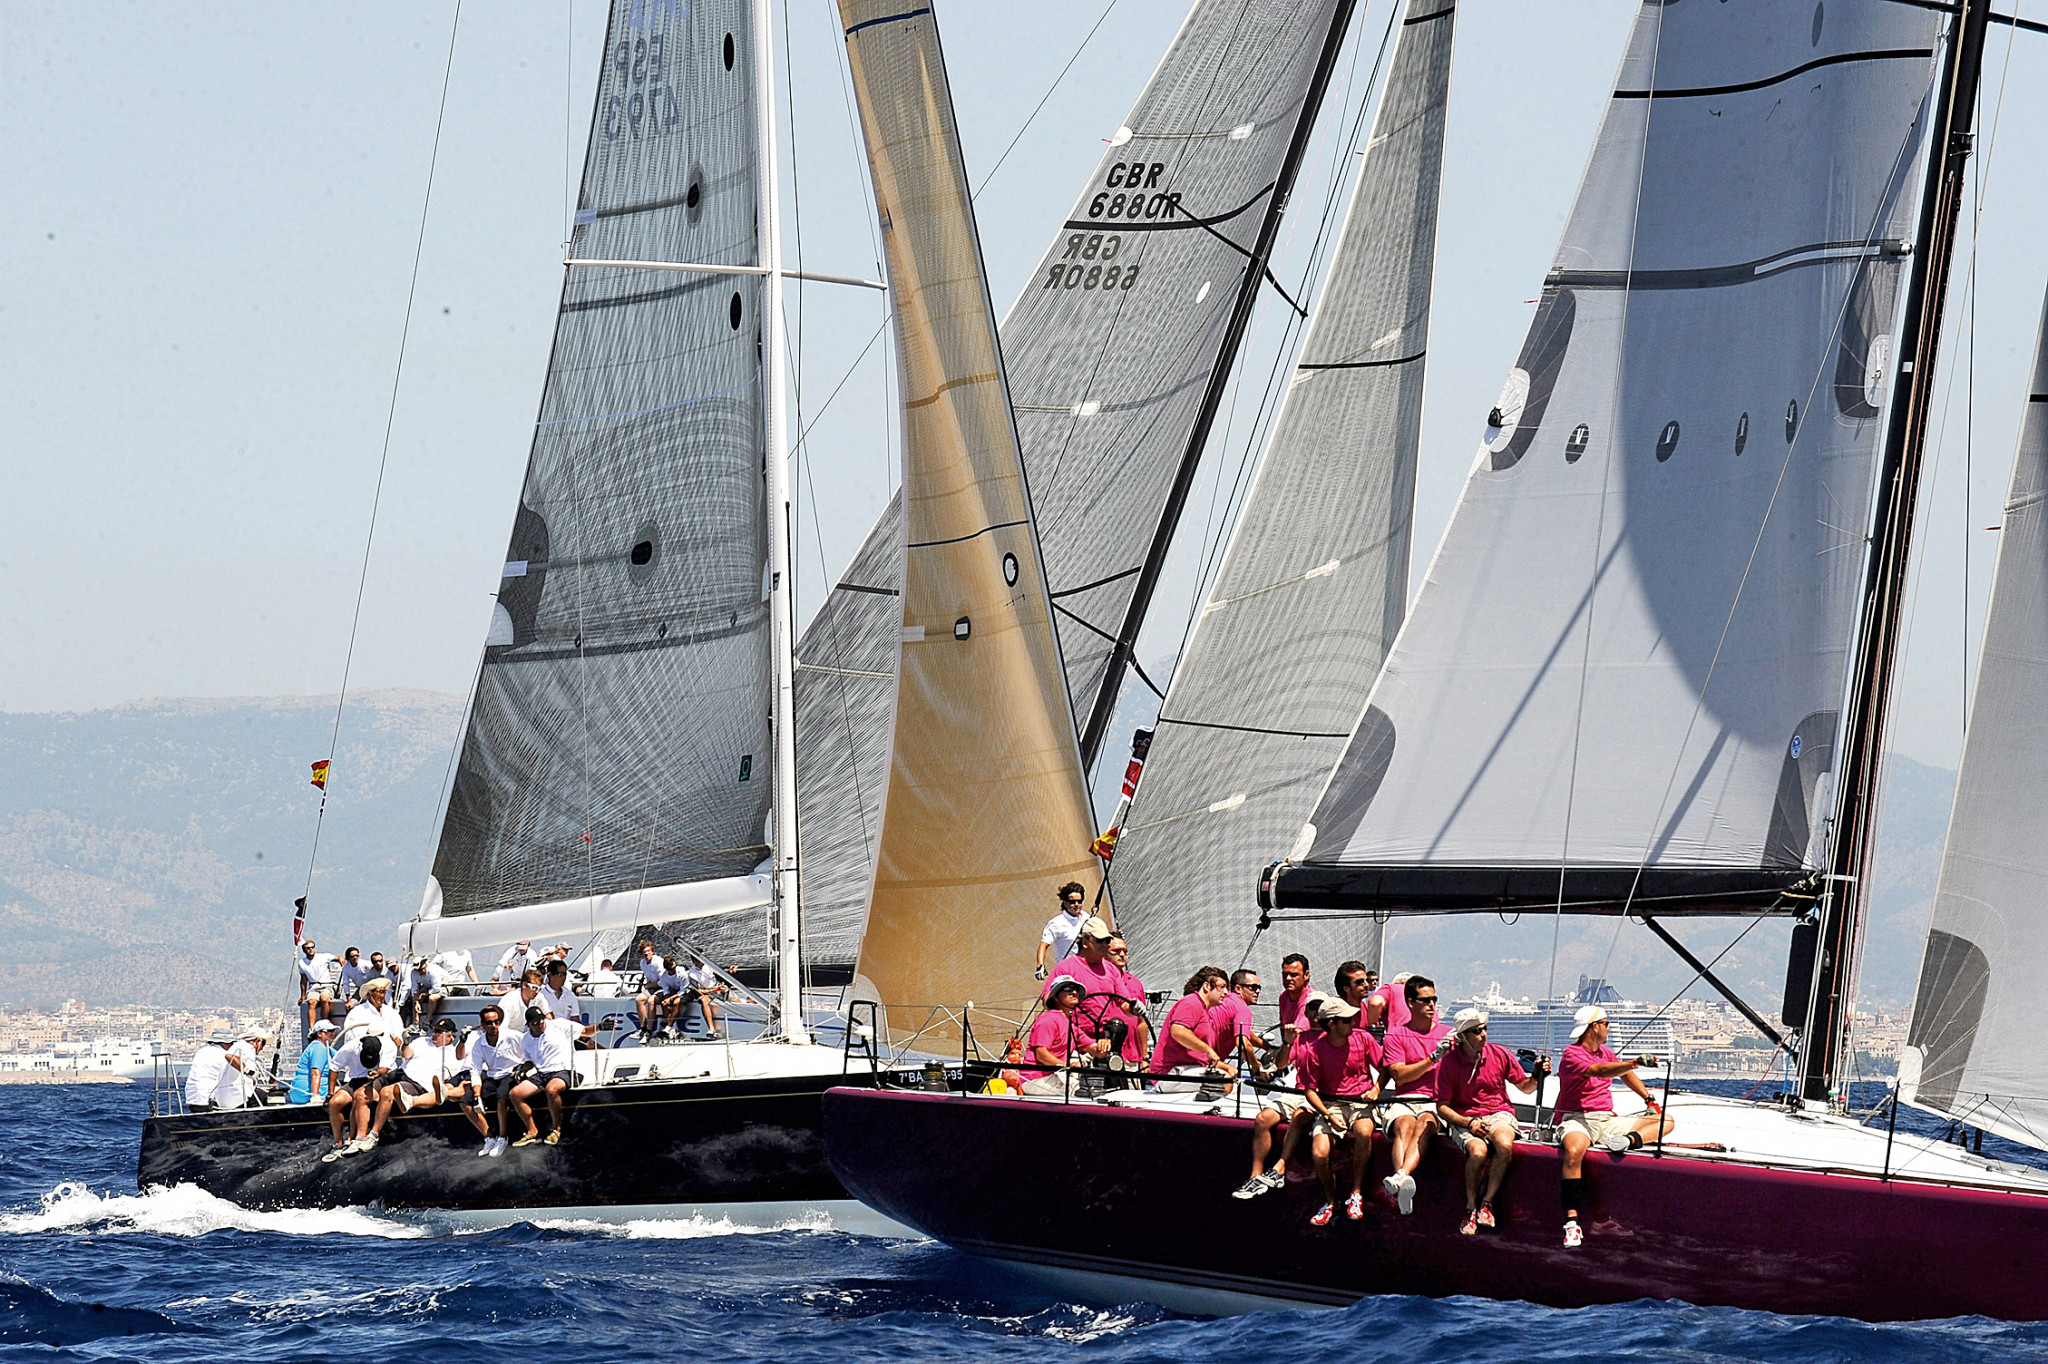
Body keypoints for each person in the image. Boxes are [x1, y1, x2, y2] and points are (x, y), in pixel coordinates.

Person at [1556, 1004, 1674, 1248]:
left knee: (1666, 1121)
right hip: (1578, 1118)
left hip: (1607, 1120)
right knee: (1574, 1151)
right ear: (1594, 1027)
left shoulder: (1606, 1052)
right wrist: (1634, 1062)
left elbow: (1624, 1075)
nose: (1609, 1028)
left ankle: (1627, 1141)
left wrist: (1649, 1100)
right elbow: (1600, 1071)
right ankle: (1572, 1222)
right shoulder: (1572, 1054)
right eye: (1607, 1023)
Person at [1437, 1008, 1545, 1235]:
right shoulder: (1448, 1063)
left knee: (1504, 1145)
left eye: (1484, 1029)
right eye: (1477, 1031)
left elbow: (1525, 1088)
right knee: (1477, 1152)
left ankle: (1487, 1202)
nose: (1483, 1034)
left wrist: (1536, 1076)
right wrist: (1469, 1123)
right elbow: (1442, 1107)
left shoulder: (1500, 1054)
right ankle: (1470, 1207)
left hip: (1499, 1112)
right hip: (1465, 1116)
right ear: (1462, 1036)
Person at [1233, 988, 1327, 1200]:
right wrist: (1287, 1042)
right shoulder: (1300, 1038)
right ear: (1306, 1012)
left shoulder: (1335, 1037)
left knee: (1299, 1116)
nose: (1315, 1012)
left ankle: (1280, 1168)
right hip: (1297, 1091)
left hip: (1321, 1095)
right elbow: (1282, 1063)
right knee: (1262, 1118)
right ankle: (1255, 1176)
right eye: (1311, 1008)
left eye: (1320, 1008)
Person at [1299, 997, 1382, 1225]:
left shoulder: (1364, 1038)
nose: (1352, 1022)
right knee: (1319, 1153)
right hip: (1330, 1105)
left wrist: (1376, 1089)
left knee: (1364, 1132)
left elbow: (1385, 1068)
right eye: (1346, 1020)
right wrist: (1328, 1115)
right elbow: (1310, 1091)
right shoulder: (1314, 1051)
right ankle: (1330, 1202)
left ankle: (1356, 1192)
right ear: (1332, 1023)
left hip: (1360, 1102)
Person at [1378, 974, 1451, 1215]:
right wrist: (1432, 1059)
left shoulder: (1449, 1035)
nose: (1432, 1005)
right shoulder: (1395, 1035)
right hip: (1405, 1098)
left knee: (1426, 1123)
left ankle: (1399, 1178)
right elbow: (1400, 1076)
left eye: (1434, 999)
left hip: (1435, 1101)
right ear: (1410, 1002)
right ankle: (1403, 1178)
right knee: (1404, 1125)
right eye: (1425, 1000)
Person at [1046, 918, 1143, 1069]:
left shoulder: (1110, 969)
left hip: (1105, 1045)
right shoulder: (1066, 968)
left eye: (1107, 940)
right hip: (1074, 1045)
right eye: (1100, 940)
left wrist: (1134, 1007)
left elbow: (1124, 1002)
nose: (1106, 945)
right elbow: (1048, 1000)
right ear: (1085, 941)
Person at [508, 1006, 596, 1146]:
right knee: (515, 1094)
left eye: (541, 1021)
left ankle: (556, 1129)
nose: (539, 1025)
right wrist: (522, 1069)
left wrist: (600, 1027)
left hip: (566, 1069)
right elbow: (529, 1061)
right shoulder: (526, 1039)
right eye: (535, 1023)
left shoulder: (558, 1025)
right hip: (542, 1073)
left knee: (551, 1089)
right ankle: (532, 1131)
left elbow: (585, 1031)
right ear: (528, 1025)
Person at [1014, 976, 1111, 1095]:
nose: (1074, 992)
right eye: (1067, 988)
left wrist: (1104, 1045)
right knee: (1082, 1093)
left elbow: (1098, 1052)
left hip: (1056, 1075)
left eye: (1076, 989)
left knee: (1092, 1090)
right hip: (1035, 1080)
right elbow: (1041, 1055)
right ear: (1055, 997)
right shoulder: (1048, 1019)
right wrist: (1068, 1066)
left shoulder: (1072, 1026)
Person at [1147, 967, 1236, 1092]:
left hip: (1185, 1070)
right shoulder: (1191, 1002)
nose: (1226, 992)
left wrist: (1225, 1066)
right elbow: (1178, 1031)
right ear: (1207, 986)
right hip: (1167, 1074)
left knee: (1233, 1085)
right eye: (1222, 987)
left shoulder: (1204, 1011)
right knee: (1223, 1082)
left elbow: (1199, 1057)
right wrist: (1208, 1050)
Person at [324, 1032, 389, 1160]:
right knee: (334, 1103)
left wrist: (376, 1072)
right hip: (355, 1080)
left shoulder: (388, 1046)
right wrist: (330, 1094)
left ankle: (353, 1139)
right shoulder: (350, 1047)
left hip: (377, 1079)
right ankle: (338, 1143)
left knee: (359, 1096)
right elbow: (334, 1067)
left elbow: (386, 1069)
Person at [468, 1004, 521, 1156]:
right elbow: (475, 1070)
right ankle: (489, 1137)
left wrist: (525, 1068)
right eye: (489, 1023)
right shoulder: (479, 1044)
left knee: (502, 1097)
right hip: (492, 1077)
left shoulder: (513, 1036)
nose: (494, 1026)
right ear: (482, 1025)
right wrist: (477, 1095)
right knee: (465, 1101)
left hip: (511, 1073)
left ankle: (503, 1138)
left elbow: (530, 1049)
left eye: (496, 1022)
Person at [1105, 934, 1152, 1061]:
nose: (1122, 955)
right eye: (1116, 951)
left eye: (1125, 951)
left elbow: (1142, 1022)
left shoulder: (1135, 983)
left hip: (1132, 1057)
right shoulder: (1098, 980)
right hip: (1104, 1053)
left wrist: (1144, 1057)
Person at [1213, 970, 1267, 1077]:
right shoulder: (1242, 1008)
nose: (1258, 991)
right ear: (1238, 988)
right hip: (1202, 1063)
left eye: (1259, 988)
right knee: (1230, 1083)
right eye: (1253, 987)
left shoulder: (1225, 1001)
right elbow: (1243, 1045)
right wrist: (1256, 1067)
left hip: (1187, 1057)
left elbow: (1245, 1033)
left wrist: (1268, 1047)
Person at [1035, 882, 1088, 981]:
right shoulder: (1057, 923)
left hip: (1087, 969)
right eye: (1072, 902)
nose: (1076, 905)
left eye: (1079, 901)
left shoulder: (1087, 917)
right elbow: (1044, 945)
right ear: (1064, 902)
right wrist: (1040, 965)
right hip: (1068, 973)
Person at [343, 977, 405, 1057]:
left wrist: (398, 1038)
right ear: (369, 994)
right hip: (364, 1059)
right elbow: (353, 1037)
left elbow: (399, 1030)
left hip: (388, 1059)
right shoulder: (357, 1013)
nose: (382, 995)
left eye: (384, 992)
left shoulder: (391, 1013)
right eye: (379, 992)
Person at [215, 1028, 271, 1110]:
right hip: (237, 1098)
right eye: (263, 1044)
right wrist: (247, 1071)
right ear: (257, 1041)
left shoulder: (240, 1047)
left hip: (225, 1099)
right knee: (262, 1095)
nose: (262, 1048)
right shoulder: (246, 1047)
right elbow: (229, 1056)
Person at [296, 939, 338, 1036]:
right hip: (313, 986)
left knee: (324, 999)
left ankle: (324, 1023)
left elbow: (337, 958)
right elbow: (303, 979)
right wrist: (302, 995)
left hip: (326, 984)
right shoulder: (302, 962)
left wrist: (341, 960)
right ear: (304, 950)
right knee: (312, 1002)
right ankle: (311, 1028)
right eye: (308, 948)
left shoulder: (323, 957)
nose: (310, 950)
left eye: (312, 947)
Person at [290, 1019, 338, 1104]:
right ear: (319, 1033)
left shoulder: (327, 1049)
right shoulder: (318, 1048)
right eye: (329, 1031)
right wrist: (315, 1097)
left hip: (301, 1092)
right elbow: (315, 1073)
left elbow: (341, 1057)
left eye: (333, 1031)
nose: (333, 1034)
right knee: (346, 1093)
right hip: (307, 1093)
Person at [678, 954, 725, 1038]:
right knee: (704, 1000)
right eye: (702, 957)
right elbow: (698, 991)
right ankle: (711, 1028)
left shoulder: (709, 965)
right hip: (708, 993)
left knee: (737, 1000)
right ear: (695, 960)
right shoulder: (691, 974)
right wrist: (714, 990)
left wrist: (729, 971)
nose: (705, 958)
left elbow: (720, 973)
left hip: (719, 989)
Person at [184, 1033, 231, 1112]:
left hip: (191, 1100)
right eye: (231, 1043)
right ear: (224, 1043)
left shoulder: (201, 1052)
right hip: (207, 1101)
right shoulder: (224, 1054)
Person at [1276, 953, 1312, 1054]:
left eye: (1294, 975)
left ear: (1306, 975)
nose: (1288, 978)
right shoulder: (1284, 997)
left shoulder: (1311, 1000)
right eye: (1285, 974)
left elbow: (1295, 1034)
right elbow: (1283, 1028)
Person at [632, 941, 665, 1039]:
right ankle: (643, 1028)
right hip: (652, 987)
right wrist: (649, 985)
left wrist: (651, 985)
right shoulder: (642, 963)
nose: (646, 953)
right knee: (639, 999)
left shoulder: (658, 962)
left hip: (663, 987)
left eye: (648, 951)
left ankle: (649, 1030)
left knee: (651, 1001)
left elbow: (664, 981)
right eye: (644, 952)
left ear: (652, 952)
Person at [538, 959, 583, 1026]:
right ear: (550, 975)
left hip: (566, 1030)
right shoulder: (541, 995)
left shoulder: (570, 995)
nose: (564, 977)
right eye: (561, 974)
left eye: (565, 974)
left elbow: (575, 1018)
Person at [406, 958, 445, 1030]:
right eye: (418, 970)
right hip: (428, 986)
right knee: (415, 998)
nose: (420, 972)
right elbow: (414, 989)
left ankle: (427, 1022)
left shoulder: (433, 971)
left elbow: (437, 988)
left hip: (444, 985)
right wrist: (416, 1001)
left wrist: (425, 994)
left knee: (432, 998)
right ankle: (415, 1024)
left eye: (422, 969)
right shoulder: (413, 973)